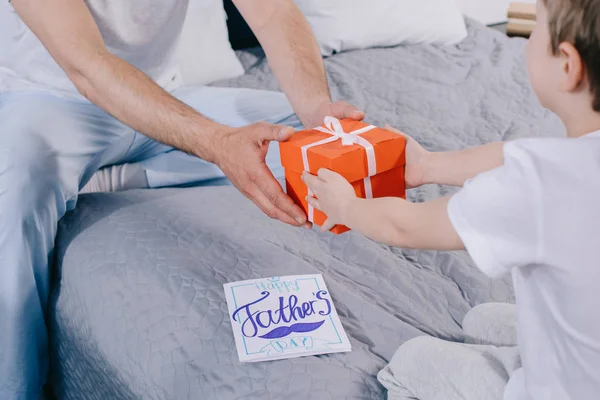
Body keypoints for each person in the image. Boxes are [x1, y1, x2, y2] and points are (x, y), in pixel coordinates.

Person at [0, 0, 364, 398]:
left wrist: (316, 112)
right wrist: (218, 143)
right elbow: (88, 66)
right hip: (52, 101)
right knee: (15, 178)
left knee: (306, 141)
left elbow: (272, 11)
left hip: (160, 98)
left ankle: (123, 175)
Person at [303, 0, 600, 398]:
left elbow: (404, 225)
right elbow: (512, 154)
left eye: (535, 32)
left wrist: (345, 206)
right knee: (481, 318)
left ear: (567, 64)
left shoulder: (539, 183)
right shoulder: (569, 158)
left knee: (410, 361)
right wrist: (427, 166)